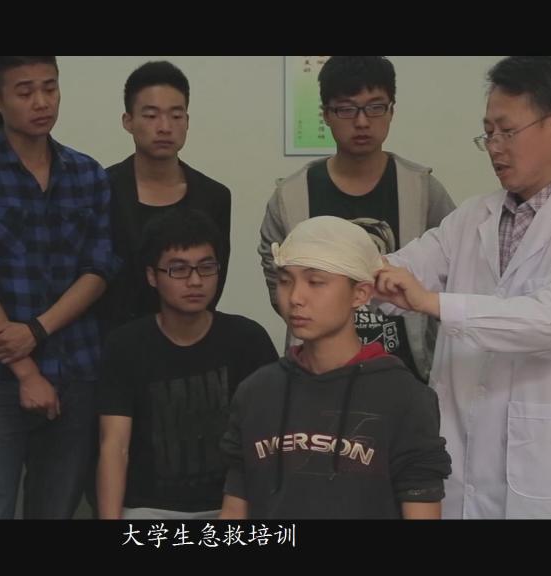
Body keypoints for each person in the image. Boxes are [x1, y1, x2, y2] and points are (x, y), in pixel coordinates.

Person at [374, 56, 551, 518]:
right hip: (462, 473)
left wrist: (433, 303)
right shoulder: (472, 218)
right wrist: (341, 264)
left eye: (506, 131)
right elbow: (405, 267)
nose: (494, 147)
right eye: (488, 133)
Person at [0, 56, 119, 519]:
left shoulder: (88, 174)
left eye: (50, 88)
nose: (41, 102)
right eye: (25, 91)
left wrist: (37, 329)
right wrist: (26, 371)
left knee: (56, 510)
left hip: (76, 367)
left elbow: (98, 270)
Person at [221, 216, 451, 519]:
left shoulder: (404, 397)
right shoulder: (257, 392)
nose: (296, 297)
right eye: (286, 281)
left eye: (316, 282)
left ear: (361, 294)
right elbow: (234, 512)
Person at [260, 56, 455, 381]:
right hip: (318, 377)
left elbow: (452, 270)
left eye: (375, 107)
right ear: (326, 114)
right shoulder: (292, 196)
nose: (362, 122)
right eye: (347, 109)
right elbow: (276, 279)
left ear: (391, 111)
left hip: (406, 373)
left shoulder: (422, 190)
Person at [97, 208, 276, 520]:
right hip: (149, 508)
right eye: (178, 269)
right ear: (152, 276)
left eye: (206, 268)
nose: (195, 281)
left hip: (231, 505)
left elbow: (268, 441)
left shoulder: (248, 340)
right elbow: (115, 445)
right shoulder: (125, 346)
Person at [102, 61, 231, 335]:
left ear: (187, 121)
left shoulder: (214, 196)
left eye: (176, 115)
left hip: (188, 341)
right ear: (128, 121)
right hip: (112, 341)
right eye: (151, 115)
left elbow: (212, 281)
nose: (164, 127)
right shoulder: (102, 189)